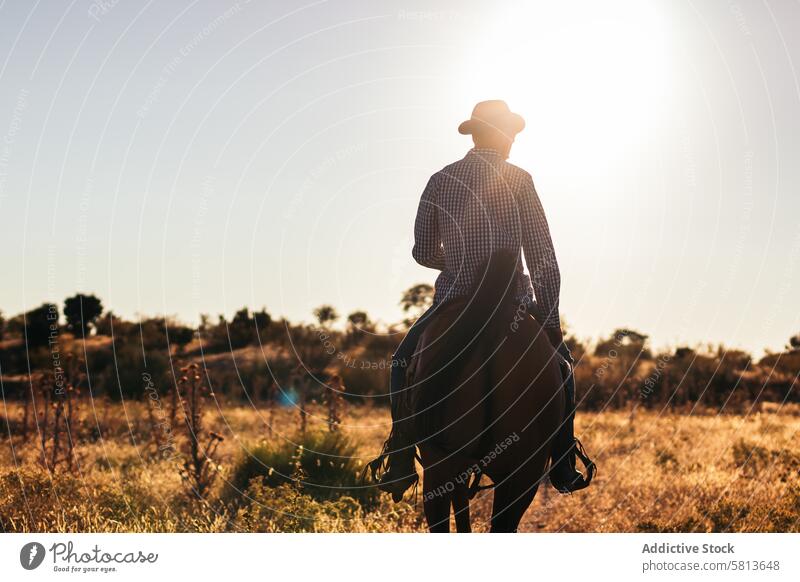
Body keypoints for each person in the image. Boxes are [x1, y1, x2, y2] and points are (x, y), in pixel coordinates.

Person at [371, 100, 595, 501]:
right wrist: (550, 323)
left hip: (454, 299)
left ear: (474, 135)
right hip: (513, 303)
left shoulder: (441, 180)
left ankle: (401, 458)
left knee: (401, 363)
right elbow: (544, 259)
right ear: (502, 136)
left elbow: (423, 252)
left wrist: (456, 260)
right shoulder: (521, 180)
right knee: (562, 368)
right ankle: (562, 460)